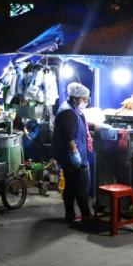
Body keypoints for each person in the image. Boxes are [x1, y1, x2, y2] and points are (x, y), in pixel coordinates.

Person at [53, 83, 94, 224]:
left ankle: (70, 214)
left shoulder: (71, 108)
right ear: (76, 98)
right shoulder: (68, 112)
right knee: (82, 186)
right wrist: (75, 153)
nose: (86, 102)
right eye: (85, 99)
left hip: (71, 155)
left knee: (70, 186)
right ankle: (86, 216)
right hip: (72, 156)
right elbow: (68, 136)